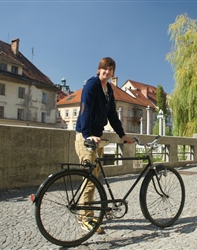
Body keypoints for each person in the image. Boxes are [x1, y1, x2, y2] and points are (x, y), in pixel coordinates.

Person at [75, 57, 134, 234]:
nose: (107, 72)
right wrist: (87, 135)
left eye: (110, 69)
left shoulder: (108, 89)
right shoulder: (92, 85)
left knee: (94, 178)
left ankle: (89, 212)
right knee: (90, 179)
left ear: (113, 73)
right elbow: (84, 109)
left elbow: (112, 116)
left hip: (97, 138)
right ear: (99, 69)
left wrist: (122, 135)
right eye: (105, 68)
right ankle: (84, 217)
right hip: (86, 138)